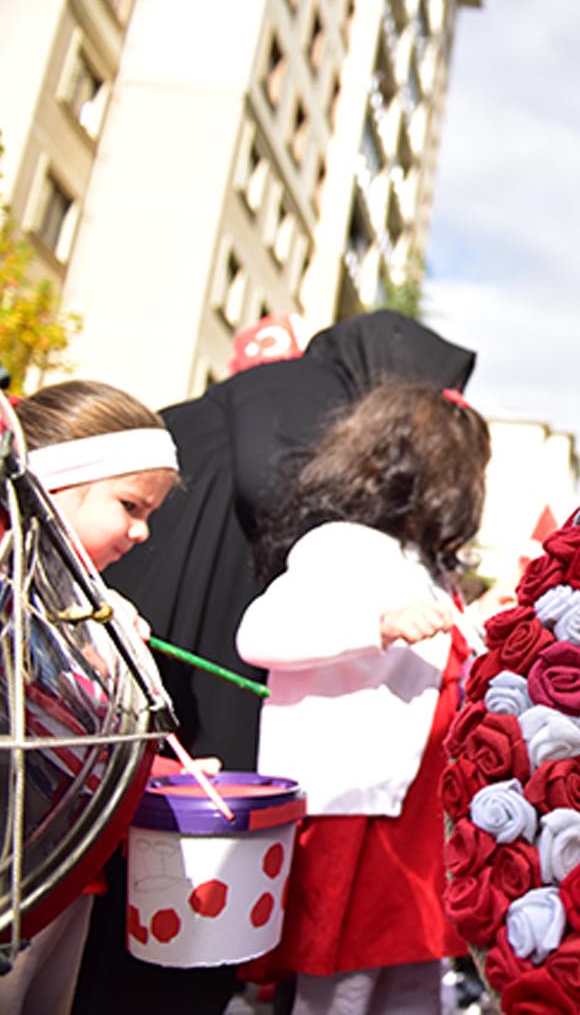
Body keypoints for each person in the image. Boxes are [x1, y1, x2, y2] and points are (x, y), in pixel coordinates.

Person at [73, 311, 475, 1015]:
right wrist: (369, 598)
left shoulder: (400, 554)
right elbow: (270, 511)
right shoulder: (310, 437)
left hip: (391, 803)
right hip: (329, 782)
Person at [235, 383, 489, 1014]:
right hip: (357, 809)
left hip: (411, 811)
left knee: (413, 982)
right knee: (341, 990)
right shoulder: (341, 546)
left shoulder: (426, 566)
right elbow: (260, 634)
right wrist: (376, 626)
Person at [0, 381, 178, 1015]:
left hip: (66, 874)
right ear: (54, 479)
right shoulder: (7, 585)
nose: (142, 532)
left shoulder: (93, 599)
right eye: (130, 505)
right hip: (10, 878)